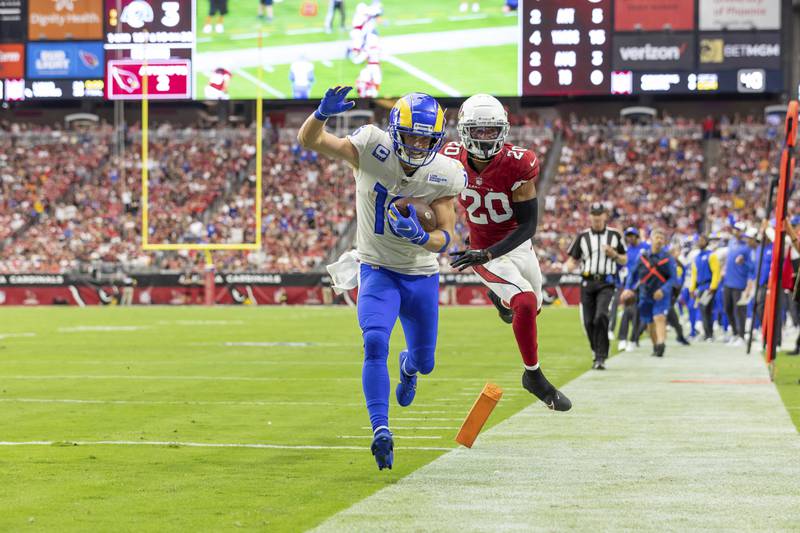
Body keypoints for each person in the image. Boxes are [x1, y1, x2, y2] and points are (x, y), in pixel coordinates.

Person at [297, 87, 465, 470]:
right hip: (376, 268)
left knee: (425, 363)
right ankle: (380, 429)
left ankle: (409, 367)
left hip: (420, 275)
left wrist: (421, 237)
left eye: (426, 137)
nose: (419, 142)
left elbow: (445, 236)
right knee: (374, 341)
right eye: (412, 134)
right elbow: (312, 140)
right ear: (395, 131)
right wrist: (320, 115)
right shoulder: (373, 147)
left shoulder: (443, 174)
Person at [442, 93, 571, 411]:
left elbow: (528, 226)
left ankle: (499, 300)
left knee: (531, 311)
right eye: (479, 130)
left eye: (491, 130)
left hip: (516, 245)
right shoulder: (448, 157)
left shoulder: (519, 162)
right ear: (464, 131)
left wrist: (489, 254)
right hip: (483, 249)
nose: (485, 137)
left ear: (504, 130)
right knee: (524, 302)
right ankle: (534, 376)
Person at [566, 202, 627, 369]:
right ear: (590, 216)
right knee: (588, 321)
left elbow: (624, 259)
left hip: (606, 282)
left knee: (601, 316)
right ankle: (596, 352)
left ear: (604, 216)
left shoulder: (614, 235)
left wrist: (613, 254)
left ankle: (601, 356)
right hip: (587, 282)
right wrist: (569, 265)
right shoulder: (583, 236)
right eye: (594, 215)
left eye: (600, 215)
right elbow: (573, 258)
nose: (597, 218)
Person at [621, 228, 677, 358]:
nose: (659, 240)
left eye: (662, 238)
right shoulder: (643, 257)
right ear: (651, 239)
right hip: (645, 294)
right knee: (649, 322)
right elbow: (632, 273)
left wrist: (663, 290)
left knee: (659, 317)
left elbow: (673, 278)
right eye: (657, 237)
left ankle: (661, 344)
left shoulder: (668, 258)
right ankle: (655, 345)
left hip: (661, 294)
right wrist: (628, 288)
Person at [722, 227, 757, 346]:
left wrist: (744, 263)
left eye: (739, 230)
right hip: (728, 282)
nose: (736, 231)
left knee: (739, 310)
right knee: (727, 308)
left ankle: (741, 336)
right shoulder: (731, 242)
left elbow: (753, 268)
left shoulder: (748, 248)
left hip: (739, 283)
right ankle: (735, 333)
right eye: (735, 229)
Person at [616, 226, 649, 352]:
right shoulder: (627, 251)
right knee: (628, 311)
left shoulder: (646, 247)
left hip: (646, 285)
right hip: (632, 286)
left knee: (642, 315)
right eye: (628, 236)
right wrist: (627, 287)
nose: (629, 238)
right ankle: (624, 339)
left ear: (637, 236)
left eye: (632, 235)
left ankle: (634, 339)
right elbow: (623, 268)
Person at [689, 234, 721, 341]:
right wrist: (692, 288)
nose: (699, 242)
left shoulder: (711, 255)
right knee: (703, 310)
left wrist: (713, 286)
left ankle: (709, 334)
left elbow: (716, 271)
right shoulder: (696, 257)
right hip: (700, 287)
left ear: (706, 242)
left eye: (702, 240)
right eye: (699, 240)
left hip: (708, 287)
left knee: (705, 309)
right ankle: (707, 333)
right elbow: (694, 274)